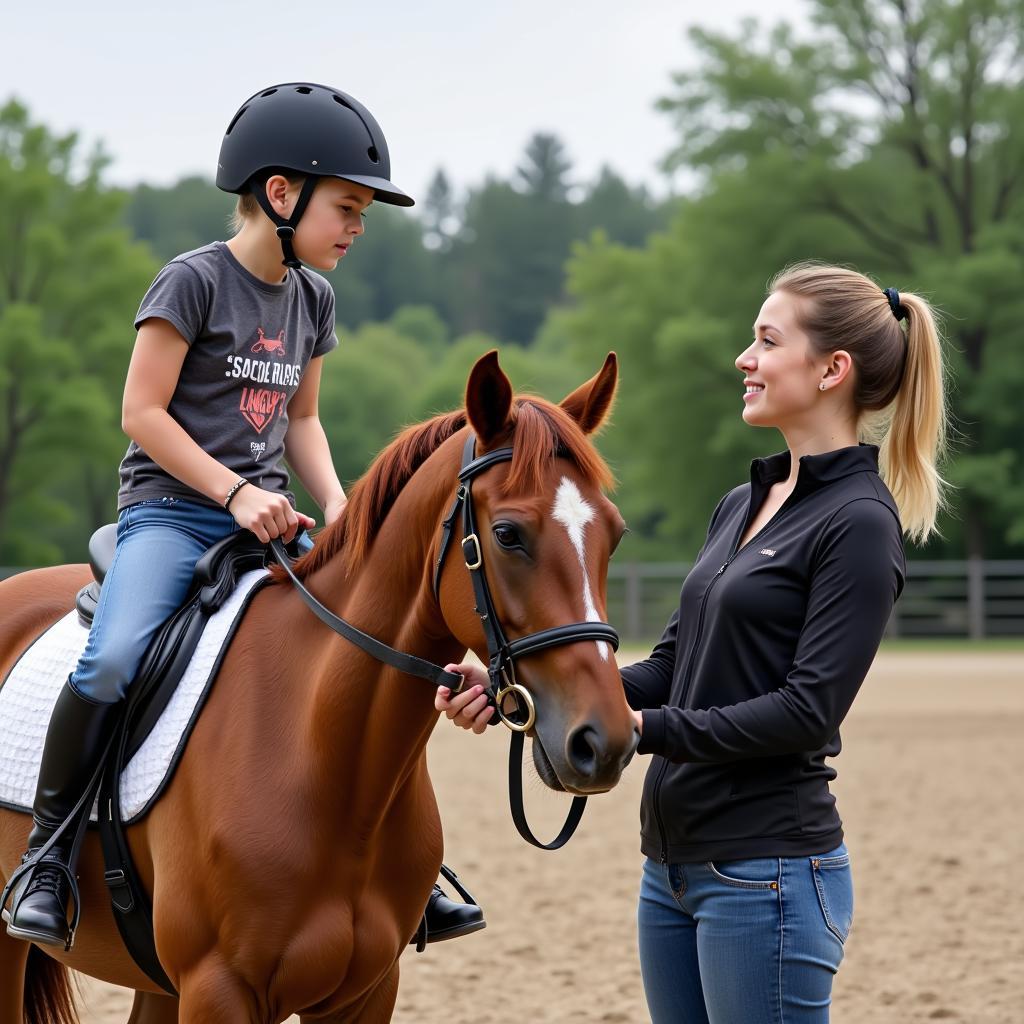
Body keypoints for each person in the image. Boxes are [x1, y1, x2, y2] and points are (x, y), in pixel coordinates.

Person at [4, 82, 481, 950]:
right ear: (280, 194)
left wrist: (341, 506)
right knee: (111, 659)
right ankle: (46, 851)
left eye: (364, 212)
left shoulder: (313, 301)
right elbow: (141, 413)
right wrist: (232, 492)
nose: (357, 227)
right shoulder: (193, 280)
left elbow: (300, 420)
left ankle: (407, 871)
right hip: (172, 517)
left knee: (369, 651)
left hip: (272, 524)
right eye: (347, 206)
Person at [437, 262, 947, 1022]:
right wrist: (520, 692)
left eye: (767, 341)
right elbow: (677, 666)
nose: (745, 359)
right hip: (670, 869)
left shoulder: (860, 523)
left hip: (767, 873)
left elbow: (808, 711)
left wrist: (644, 732)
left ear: (832, 369)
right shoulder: (743, 502)